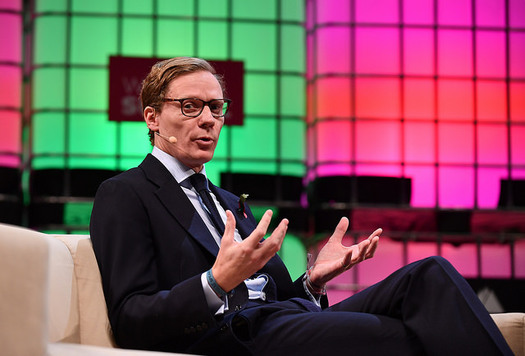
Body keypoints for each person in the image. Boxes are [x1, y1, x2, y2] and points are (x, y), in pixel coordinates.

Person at [90, 57, 512, 355]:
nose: (208, 119)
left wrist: (313, 281)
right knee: (397, 336)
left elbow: (272, 296)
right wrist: (215, 281)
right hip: (227, 334)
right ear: (152, 117)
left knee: (428, 274)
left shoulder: (227, 201)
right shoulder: (127, 193)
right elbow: (131, 317)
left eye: (216, 108)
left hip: (275, 319)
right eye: (190, 106)